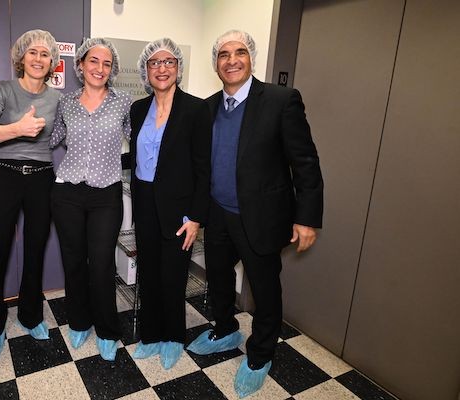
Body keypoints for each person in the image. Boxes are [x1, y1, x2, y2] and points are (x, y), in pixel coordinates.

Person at [185, 30, 323, 398]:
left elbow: (305, 163)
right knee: (217, 280)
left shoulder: (281, 101)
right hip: (218, 215)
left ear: (251, 58)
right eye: (224, 54)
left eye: (239, 52)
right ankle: (226, 329)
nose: (232, 60)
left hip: (260, 217)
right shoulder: (209, 107)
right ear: (216, 63)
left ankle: (261, 353)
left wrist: (307, 217)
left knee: (264, 289)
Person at [0, 30, 61, 360]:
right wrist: (16, 130)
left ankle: (30, 315)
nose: (39, 59)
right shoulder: (4, 90)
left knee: (35, 249)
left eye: (45, 54)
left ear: (52, 62)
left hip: (41, 179)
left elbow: (71, 132)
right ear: (21, 58)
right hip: (4, 176)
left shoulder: (58, 99)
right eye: (33, 53)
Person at [128, 38, 211, 369]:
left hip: (180, 209)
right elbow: (138, 157)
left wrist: (196, 217)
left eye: (168, 62)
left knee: (174, 275)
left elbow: (204, 169)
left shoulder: (196, 109)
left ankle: (174, 337)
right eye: (154, 63)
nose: (161, 68)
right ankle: (151, 335)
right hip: (145, 203)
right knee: (148, 272)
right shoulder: (138, 109)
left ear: (178, 68)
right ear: (145, 70)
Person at [49, 38, 132, 361]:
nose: (100, 68)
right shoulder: (65, 102)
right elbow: (52, 138)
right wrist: (12, 137)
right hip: (67, 191)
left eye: (107, 63)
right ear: (80, 65)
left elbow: (139, 138)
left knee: (101, 264)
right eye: (93, 61)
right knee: (73, 261)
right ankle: (80, 321)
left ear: (112, 70)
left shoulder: (123, 102)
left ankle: (108, 330)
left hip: (106, 194)